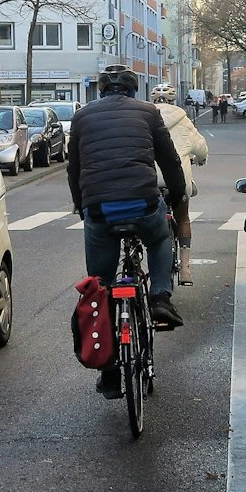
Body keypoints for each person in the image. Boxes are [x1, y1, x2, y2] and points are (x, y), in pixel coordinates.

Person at [69, 65, 187, 397]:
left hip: (100, 210)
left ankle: (109, 372)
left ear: (100, 91)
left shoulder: (81, 118)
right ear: (133, 91)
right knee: (161, 236)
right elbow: (170, 161)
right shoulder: (149, 113)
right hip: (142, 204)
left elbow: (74, 168)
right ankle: (161, 296)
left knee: (102, 286)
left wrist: (83, 207)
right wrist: (176, 196)